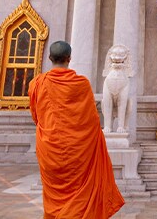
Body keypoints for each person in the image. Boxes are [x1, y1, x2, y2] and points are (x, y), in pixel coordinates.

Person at [29, 41, 124, 218]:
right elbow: (93, 120)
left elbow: (36, 116)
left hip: (50, 149)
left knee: (55, 197)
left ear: (49, 58)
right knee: (80, 197)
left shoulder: (37, 84)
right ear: (69, 58)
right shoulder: (81, 83)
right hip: (79, 152)